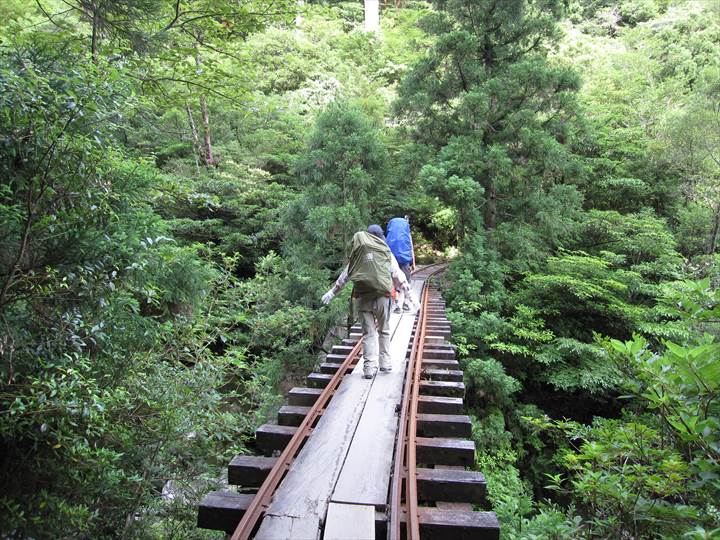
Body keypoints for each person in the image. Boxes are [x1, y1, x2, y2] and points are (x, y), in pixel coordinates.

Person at [321, 225, 413, 379]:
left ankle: (369, 368)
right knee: (384, 330)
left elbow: (346, 275)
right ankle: (385, 363)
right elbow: (396, 273)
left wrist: (332, 292)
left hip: (363, 298)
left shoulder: (358, 252)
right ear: (380, 236)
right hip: (383, 297)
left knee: (368, 333)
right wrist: (407, 291)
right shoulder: (384, 250)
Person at [385, 216, 415, 313]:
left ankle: (396, 304)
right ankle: (404, 304)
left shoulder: (390, 234)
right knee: (405, 280)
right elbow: (411, 248)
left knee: (394, 281)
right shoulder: (407, 234)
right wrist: (413, 262)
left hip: (392, 259)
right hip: (404, 259)